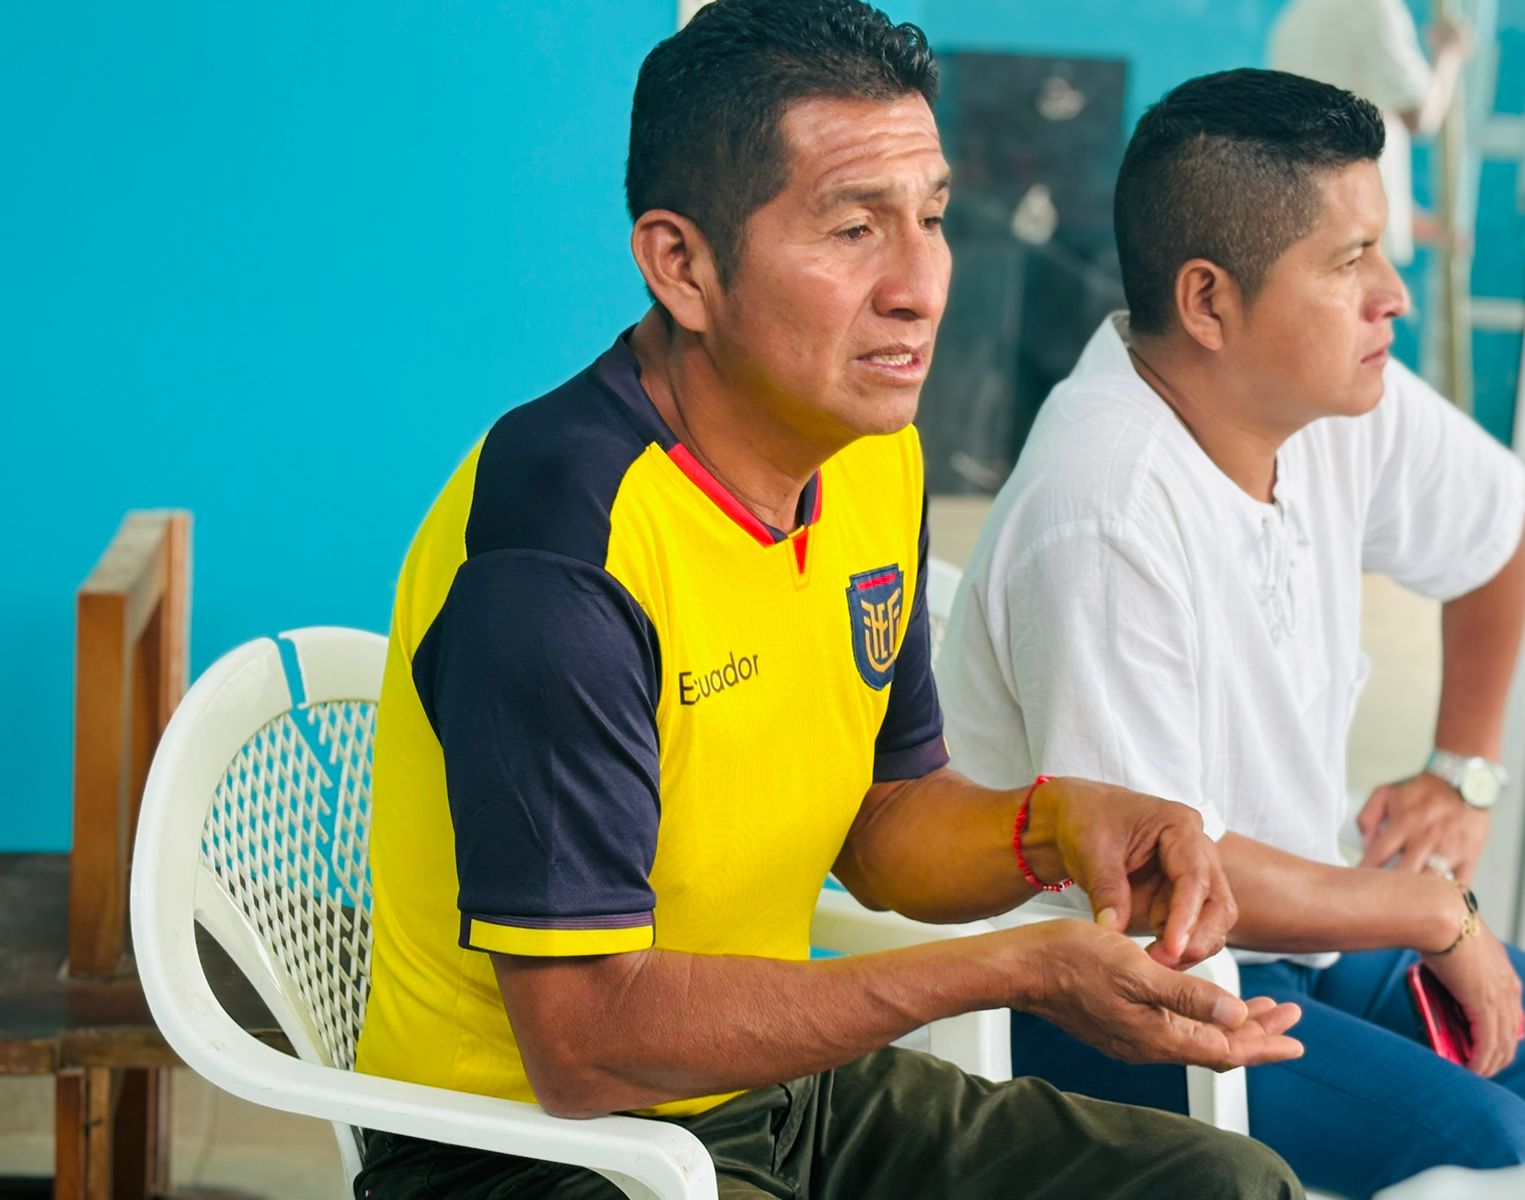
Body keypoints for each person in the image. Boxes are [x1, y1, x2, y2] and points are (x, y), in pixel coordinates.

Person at [350, 6, 1305, 1199]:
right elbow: (584, 1043)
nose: (918, 287)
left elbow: (885, 817)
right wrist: (1015, 968)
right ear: (681, 266)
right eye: (854, 228)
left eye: (932, 217)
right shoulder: (560, 551)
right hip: (530, 1154)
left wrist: (1063, 826)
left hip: (769, 1092)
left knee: (1227, 1187)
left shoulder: (869, 456)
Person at [938, 68, 1525, 1200]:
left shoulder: (1326, 396)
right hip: (1107, 991)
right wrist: (1428, 908)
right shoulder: (1103, 507)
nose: (1393, 295)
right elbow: (1156, 878)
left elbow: (1495, 523)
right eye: (1350, 261)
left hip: (1303, 935)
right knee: (1497, 1152)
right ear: (1208, 302)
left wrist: (1464, 770)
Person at [1269, 0, 1473, 266]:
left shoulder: (1294, 19)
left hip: (1315, 229)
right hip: (1357, 240)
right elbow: (1420, 117)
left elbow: (1321, 147)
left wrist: (1408, 219)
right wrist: (1450, 55)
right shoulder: (1373, 8)